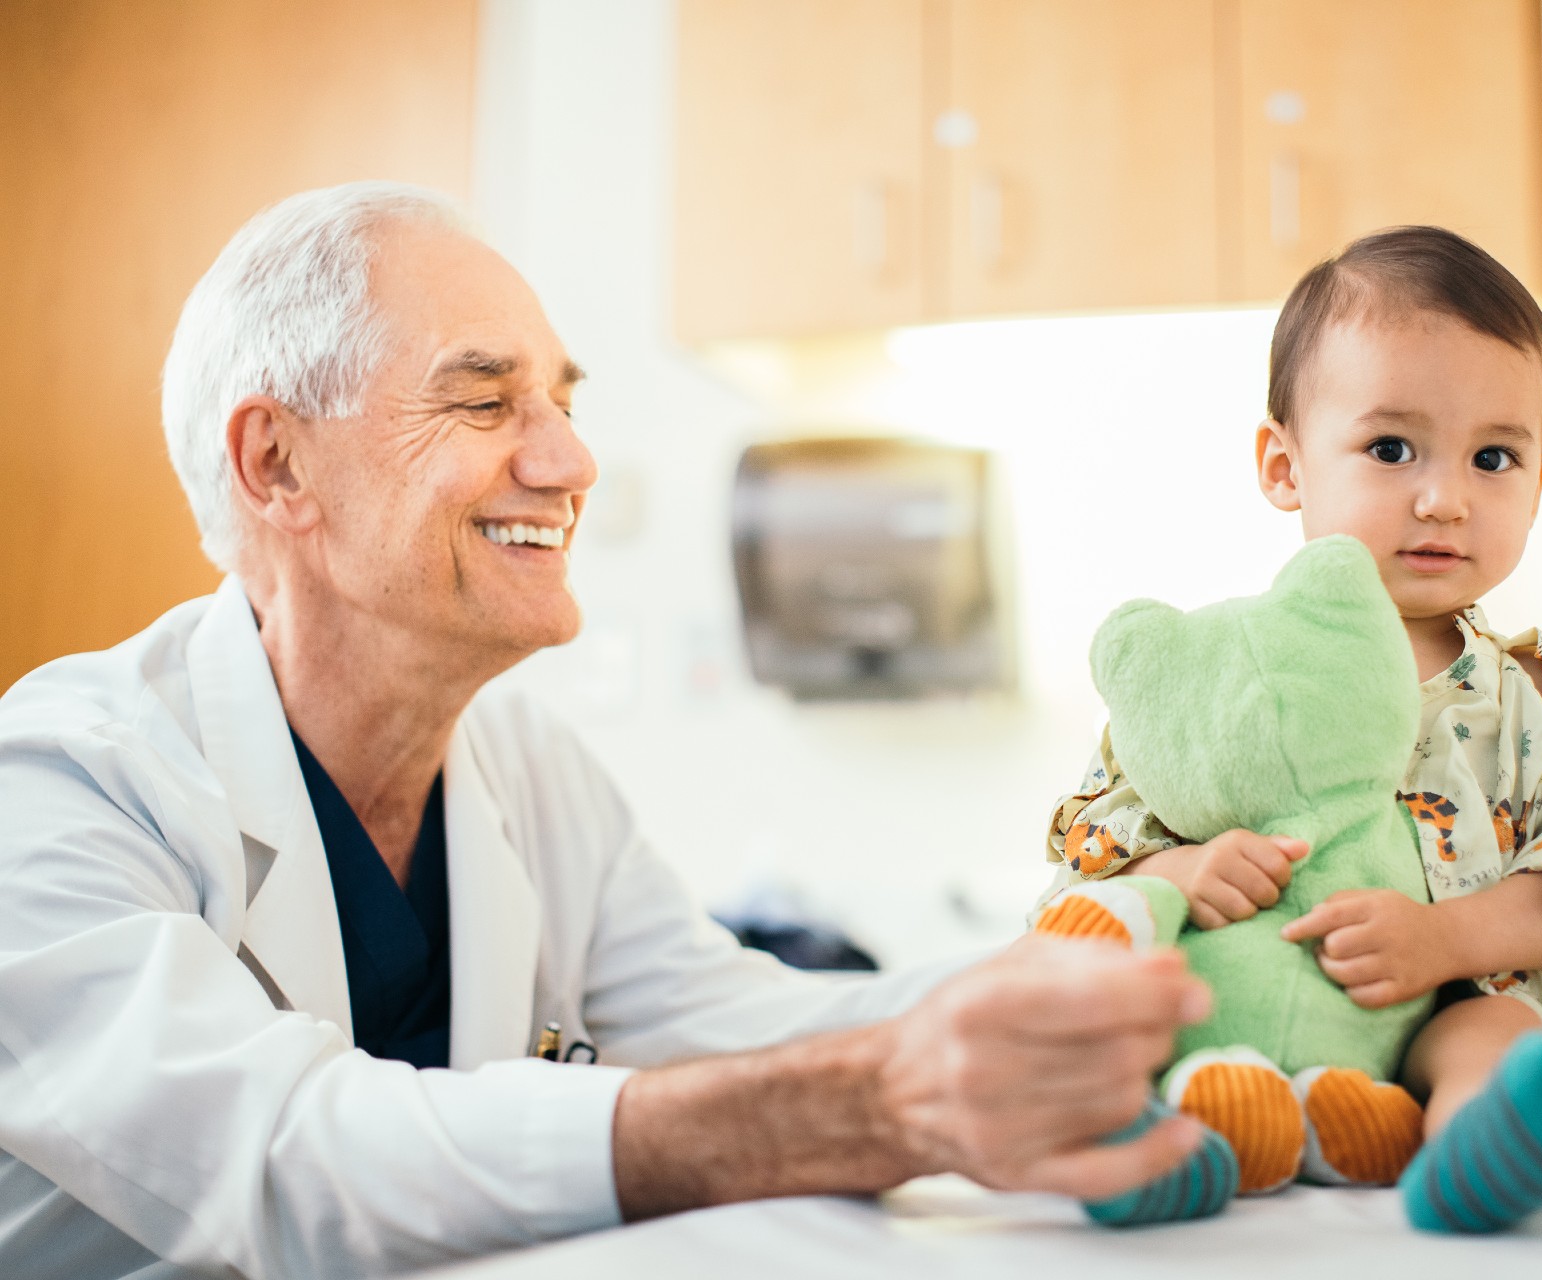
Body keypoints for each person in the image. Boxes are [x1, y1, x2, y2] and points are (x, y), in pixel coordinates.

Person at [0, 183, 1210, 1280]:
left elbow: (742, 1019)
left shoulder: (531, 771)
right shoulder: (63, 784)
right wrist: (855, 1109)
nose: (571, 460)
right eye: (485, 400)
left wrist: (1123, 947)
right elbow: (284, 1158)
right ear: (277, 464)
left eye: (563, 404)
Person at [1037, 226, 1542, 1232]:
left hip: (1426, 1024)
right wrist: (1182, 871)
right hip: (1233, 1001)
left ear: (1540, 482)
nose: (1444, 495)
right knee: (1126, 1020)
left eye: (1494, 457)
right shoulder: (1219, 668)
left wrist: (1440, 937)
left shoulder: (1529, 696)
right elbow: (1092, 852)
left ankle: (1473, 1147)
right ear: (1285, 463)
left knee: (1491, 1030)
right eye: (1391, 447)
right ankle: (1152, 1149)